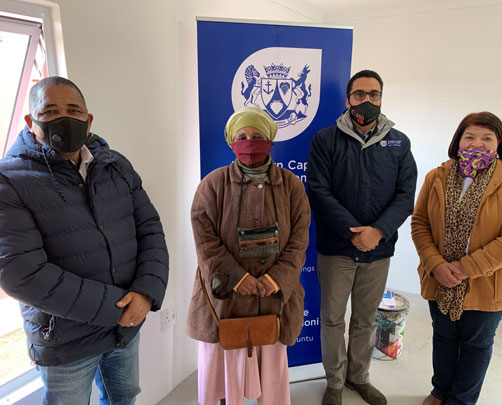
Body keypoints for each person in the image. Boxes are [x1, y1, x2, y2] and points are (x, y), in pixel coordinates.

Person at [0, 77, 169, 404]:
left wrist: (147, 292)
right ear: (30, 121)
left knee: (125, 398)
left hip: (125, 330)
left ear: (88, 119)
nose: (63, 117)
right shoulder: (9, 180)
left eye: (73, 109)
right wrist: (116, 309)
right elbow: (21, 273)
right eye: (49, 110)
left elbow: (150, 228)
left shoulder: (116, 166)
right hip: (66, 340)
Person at [306, 70, 417, 405]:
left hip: (379, 250)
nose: (366, 101)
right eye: (359, 94)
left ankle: (359, 378)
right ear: (348, 99)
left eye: (373, 94)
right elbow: (319, 191)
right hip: (337, 248)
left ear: (381, 98)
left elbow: (406, 194)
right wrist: (353, 232)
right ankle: (335, 383)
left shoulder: (399, 142)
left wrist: (378, 231)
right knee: (332, 319)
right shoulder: (325, 139)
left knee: (366, 320)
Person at [186, 107, 310, 405]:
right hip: (226, 299)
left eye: (257, 136)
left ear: (270, 141)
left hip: (273, 298)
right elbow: (204, 238)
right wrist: (235, 277)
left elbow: (299, 238)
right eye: (242, 136)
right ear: (231, 142)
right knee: (221, 372)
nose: (249, 142)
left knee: (272, 372)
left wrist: (276, 278)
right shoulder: (213, 184)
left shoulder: (291, 185)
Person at [411, 111, 502, 405]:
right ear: (458, 141)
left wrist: (466, 268)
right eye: (470, 136)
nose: (477, 144)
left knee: (476, 344)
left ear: (498, 144)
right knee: (444, 337)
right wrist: (436, 265)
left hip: (488, 283)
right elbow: (420, 223)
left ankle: (460, 400)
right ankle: (440, 391)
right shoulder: (436, 176)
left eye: (486, 138)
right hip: (439, 279)